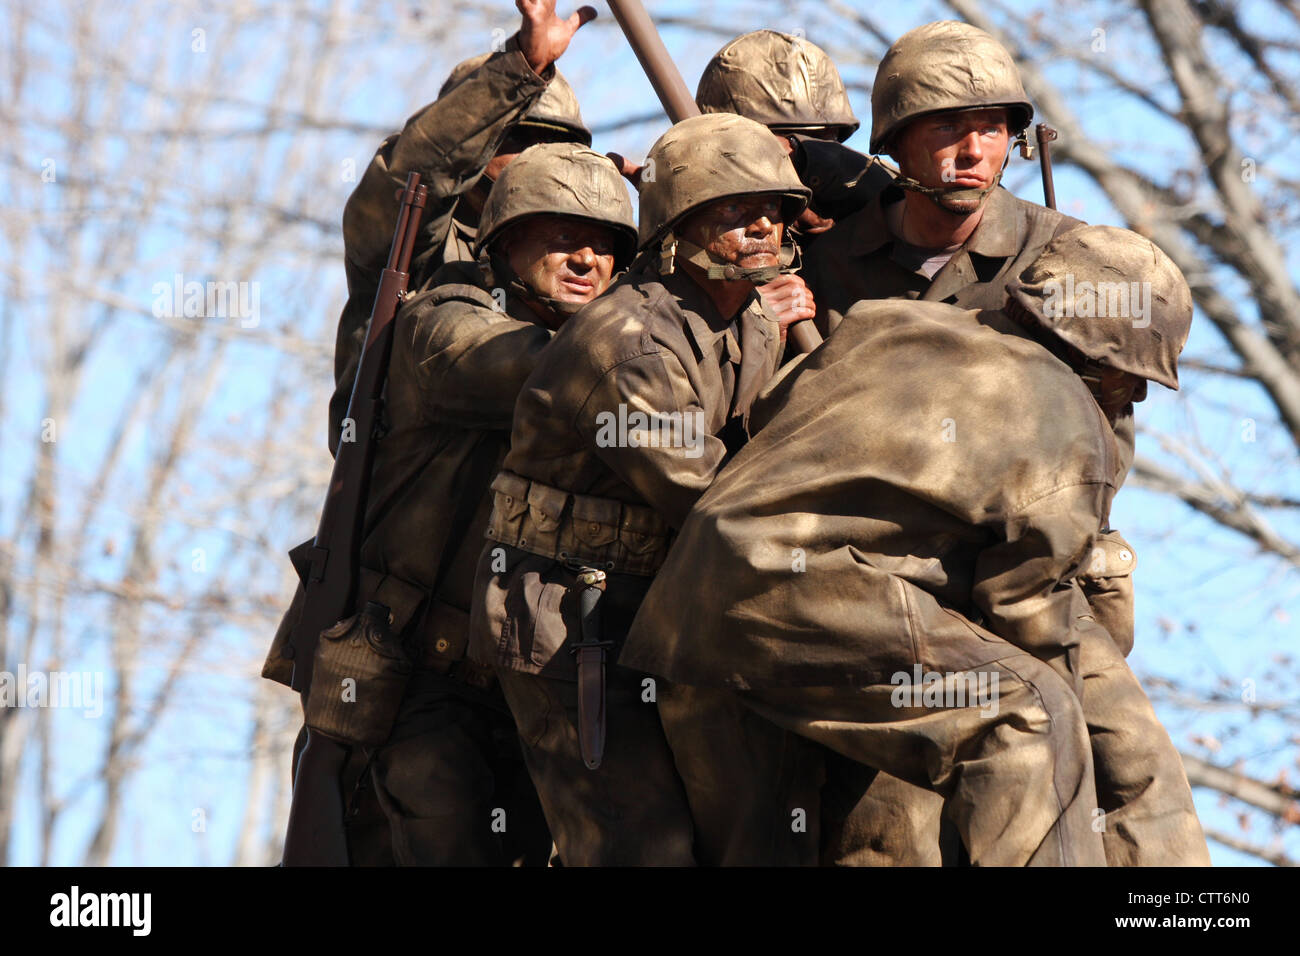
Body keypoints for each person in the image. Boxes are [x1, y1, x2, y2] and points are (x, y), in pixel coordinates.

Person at [619, 226, 1203, 867]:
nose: (1138, 396)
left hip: (689, 619)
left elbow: (771, 415)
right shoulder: (1067, 424)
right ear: (1095, 357)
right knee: (1030, 717)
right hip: (813, 612)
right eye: (1131, 378)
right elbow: (1026, 610)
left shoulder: (887, 323)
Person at [467, 113, 813, 865]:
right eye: (734, 209)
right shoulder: (623, 342)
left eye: (775, 211)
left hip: (664, 606)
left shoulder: (754, 322)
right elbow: (715, 498)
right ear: (677, 223)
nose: (762, 225)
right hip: (568, 618)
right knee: (633, 847)